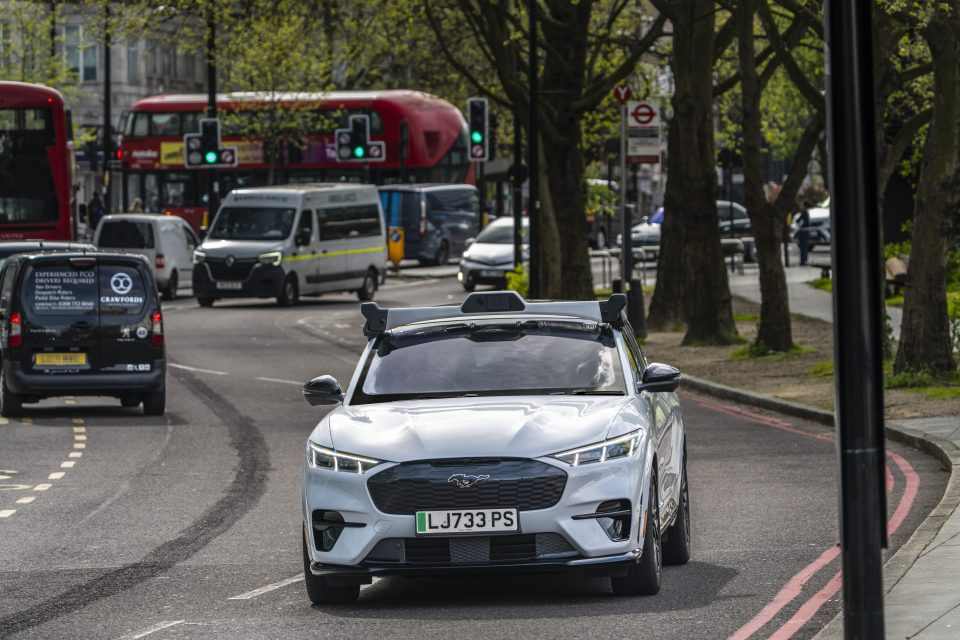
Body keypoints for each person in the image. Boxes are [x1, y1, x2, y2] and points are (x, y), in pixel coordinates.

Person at [796, 200, 812, 266]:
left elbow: (798, 220)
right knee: (804, 248)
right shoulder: (805, 212)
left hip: (803, 232)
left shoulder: (804, 212)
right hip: (804, 232)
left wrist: (800, 225)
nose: (801, 207)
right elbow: (800, 221)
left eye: (802, 205)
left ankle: (803, 261)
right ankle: (803, 261)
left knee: (803, 248)